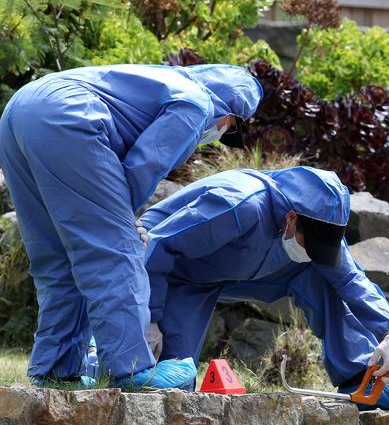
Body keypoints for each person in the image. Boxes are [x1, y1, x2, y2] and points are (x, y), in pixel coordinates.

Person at [0, 63, 263, 389]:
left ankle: (56, 369)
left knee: (56, 256)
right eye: (229, 128)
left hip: (20, 112)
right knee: (116, 252)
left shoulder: (162, 81)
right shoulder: (198, 104)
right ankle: (133, 368)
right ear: (230, 114)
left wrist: (117, 217)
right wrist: (123, 224)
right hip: (70, 118)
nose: (219, 135)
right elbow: (144, 164)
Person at [139, 166, 389, 409]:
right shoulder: (239, 205)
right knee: (171, 380)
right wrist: (149, 318)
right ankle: (115, 363)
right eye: (307, 243)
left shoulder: (318, 223)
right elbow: (160, 246)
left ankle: (362, 376)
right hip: (182, 273)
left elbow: (351, 280)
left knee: (321, 275)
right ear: (291, 218)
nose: (313, 250)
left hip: (255, 270)